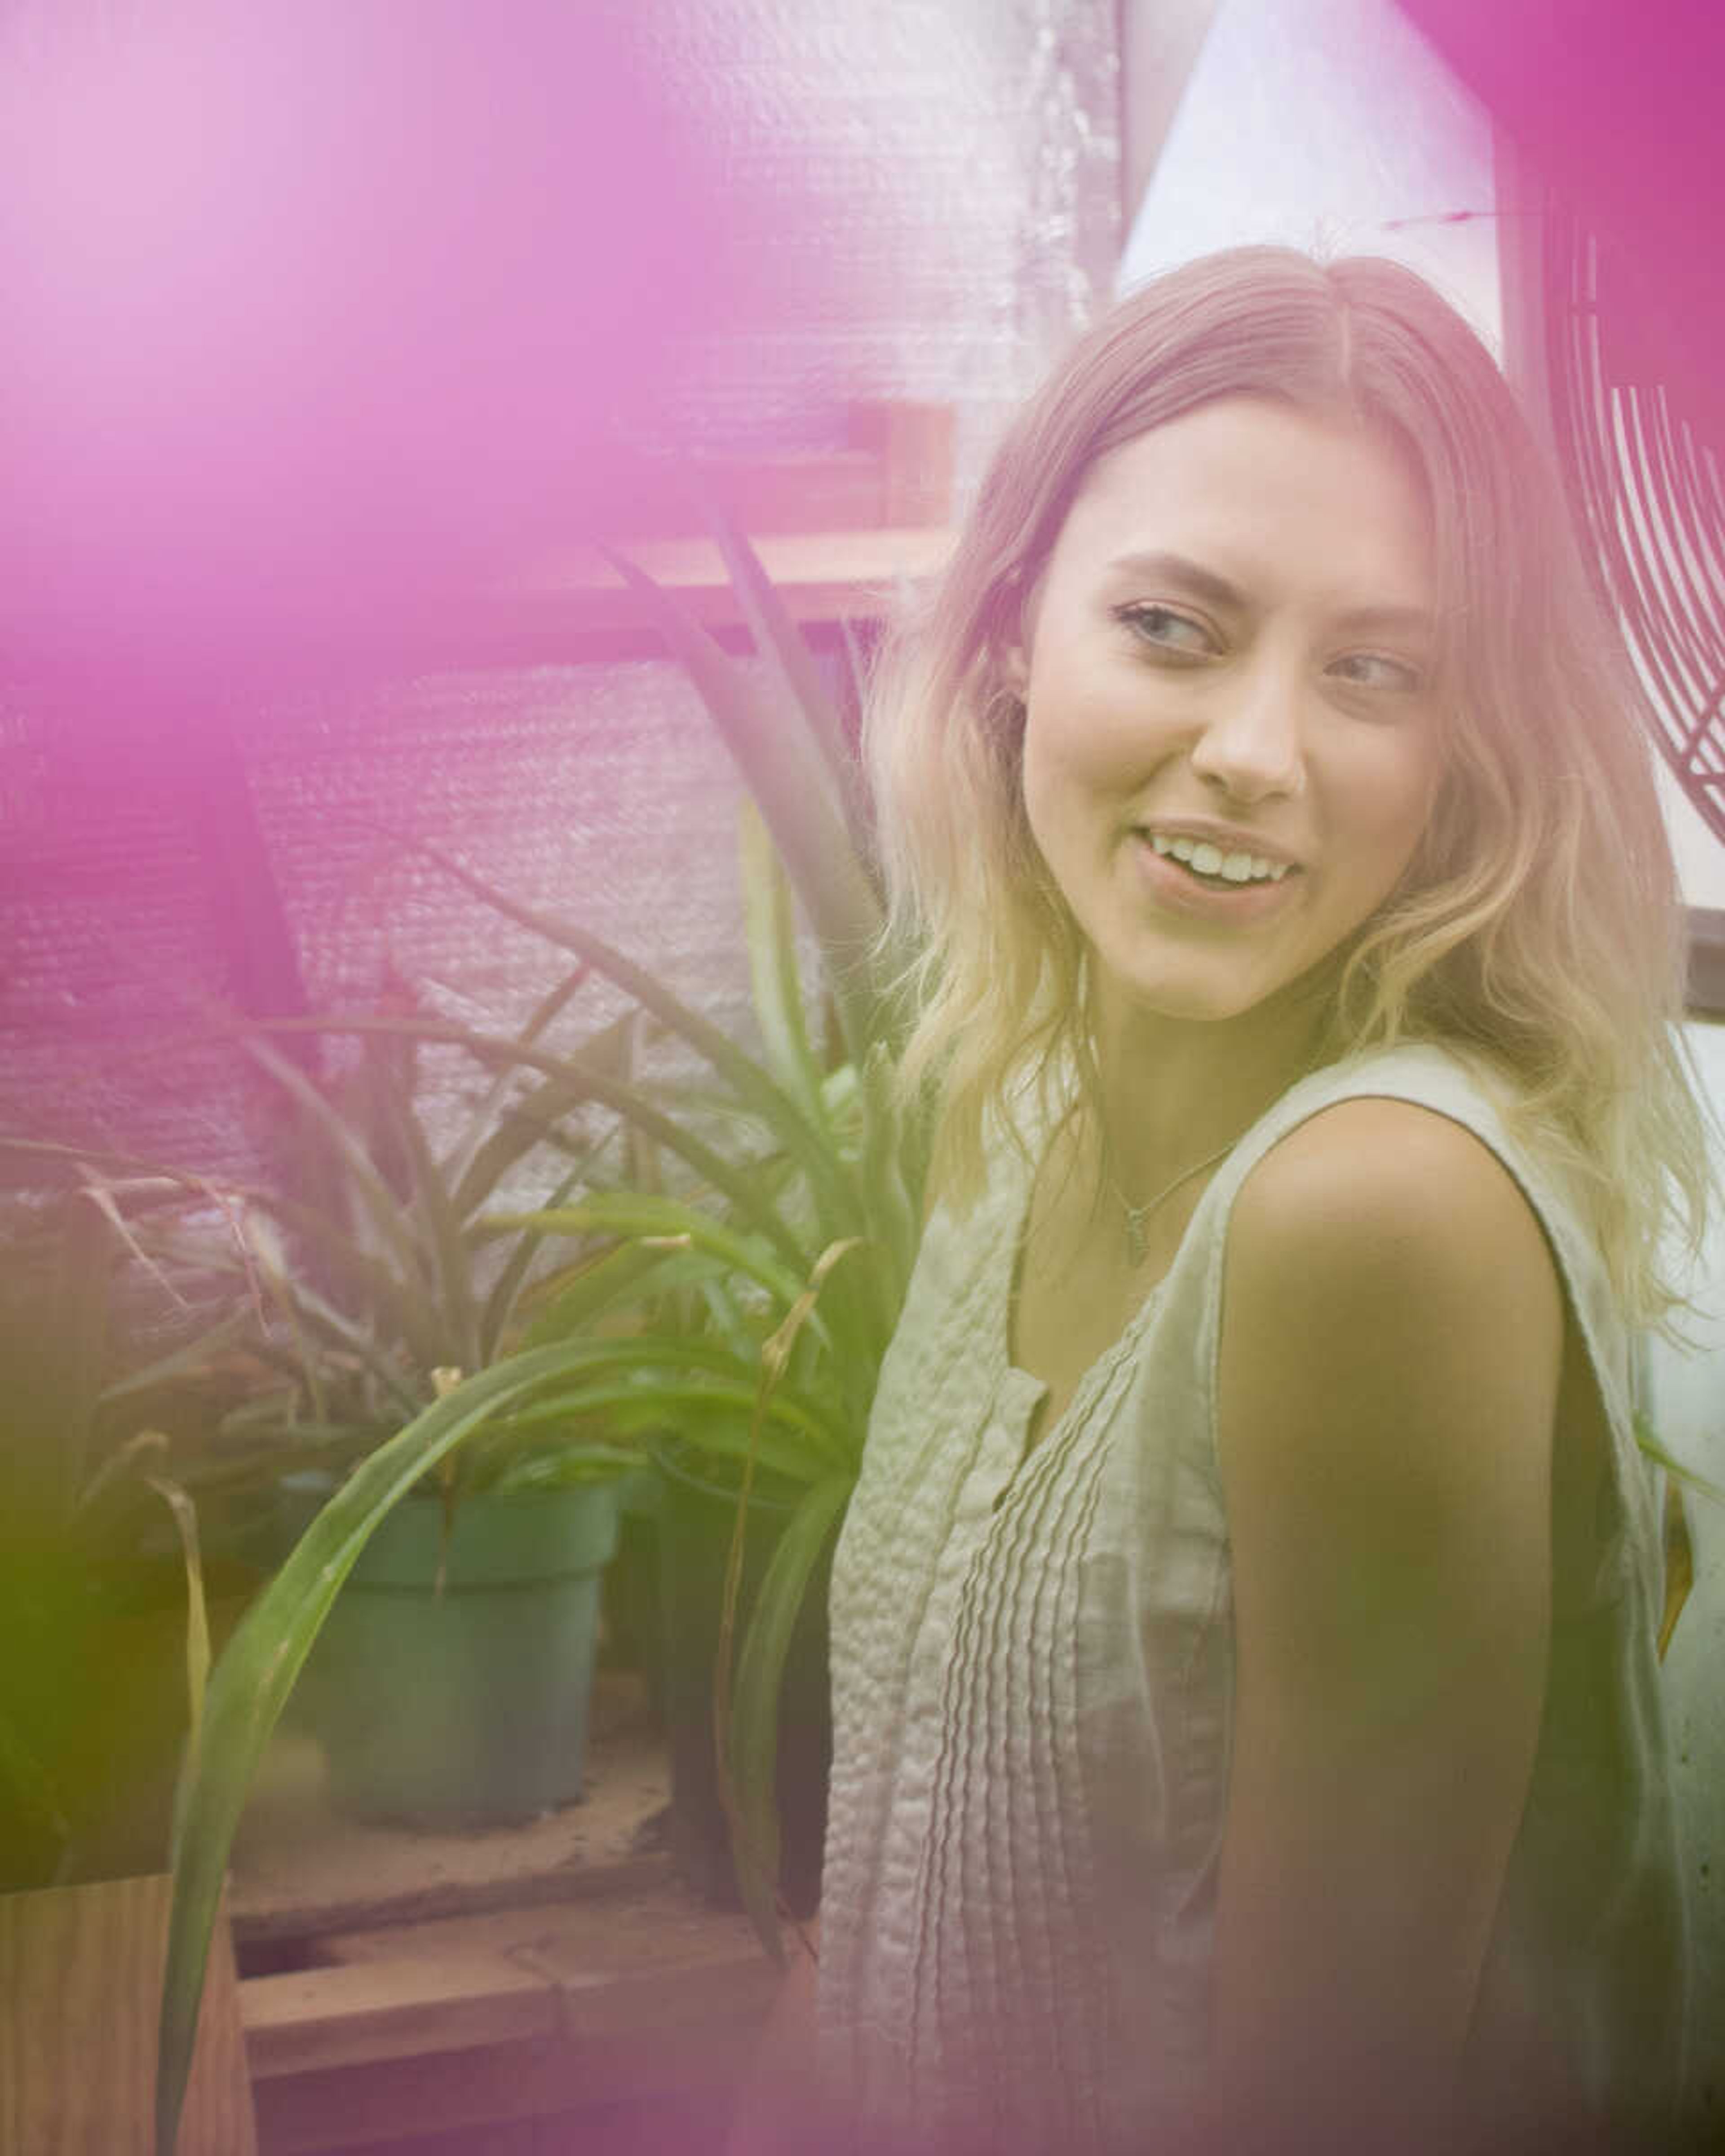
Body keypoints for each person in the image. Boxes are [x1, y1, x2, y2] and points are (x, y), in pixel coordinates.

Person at [728, 247, 1712, 2156]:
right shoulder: (1006, 1118)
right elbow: (876, 1920)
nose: (1259, 754)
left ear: (1467, 747)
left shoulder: (1376, 1220)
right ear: (1015, 633)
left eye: (1374, 671)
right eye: (1175, 627)